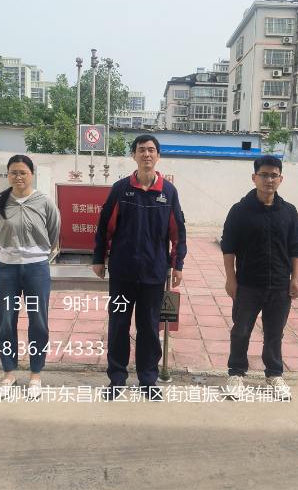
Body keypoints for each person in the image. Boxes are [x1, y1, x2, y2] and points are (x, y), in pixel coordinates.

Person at [93, 134, 187, 400]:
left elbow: (177, 231)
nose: (147, 154)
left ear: (158, 155)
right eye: (141, 150)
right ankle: (117, 378)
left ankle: (148, 379)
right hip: (122, 271)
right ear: (133, 156)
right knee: (119, 325)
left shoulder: (168, 192)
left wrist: (177, 264)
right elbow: (105, 226)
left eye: (151, 150)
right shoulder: (121, 189)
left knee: (149, 328)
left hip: (154, 273)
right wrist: (99, 258)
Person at [220, 155, 298, 400]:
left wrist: (295, 278)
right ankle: (236, 374)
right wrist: (231, 278)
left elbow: (295, 247)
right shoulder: (240, 210)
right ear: (254, 178)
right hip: (248, 284)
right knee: (241, 331)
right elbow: (228, 246)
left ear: (280, 179)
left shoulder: (289, 211)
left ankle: (274, 375)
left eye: (274, 175)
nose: (269, 179)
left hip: (279, 285)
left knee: (274, 334)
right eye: (264, 174)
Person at [0, 155, 60, 399]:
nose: (18, 177)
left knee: (38, 321)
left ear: (32, 175)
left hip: (36, 268)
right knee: (6, 321)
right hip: (6, 269)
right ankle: (8, 373)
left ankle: (35, 374)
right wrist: (9, 252)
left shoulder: (44, 202)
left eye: (23, 172)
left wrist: (37, 252)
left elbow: (53, 231)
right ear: (7, 175)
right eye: (13, 172)